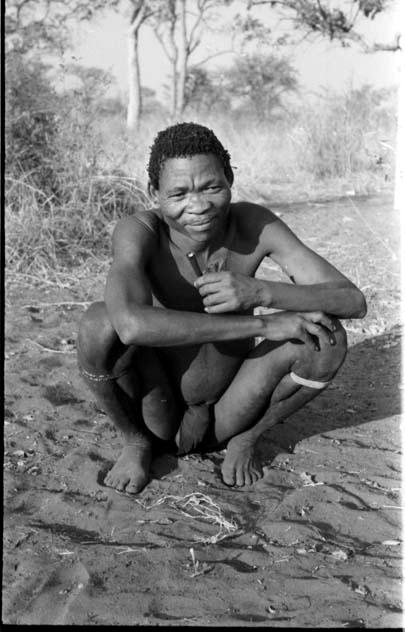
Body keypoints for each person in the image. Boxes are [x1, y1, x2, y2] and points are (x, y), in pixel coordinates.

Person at [77, 122, 366, 494]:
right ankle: (135, 443)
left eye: (211, 187)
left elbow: (352, 300)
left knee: (326, 336)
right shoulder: (139, 232)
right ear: (154, 192)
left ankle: (248, 437)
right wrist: (262, 326)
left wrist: (260, 292)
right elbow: (129, 325)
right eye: (178, 193)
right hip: (158, 412)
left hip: (232, 407)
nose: (197, 206)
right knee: (98, 324)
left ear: (229, 178)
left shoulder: (253, 224)